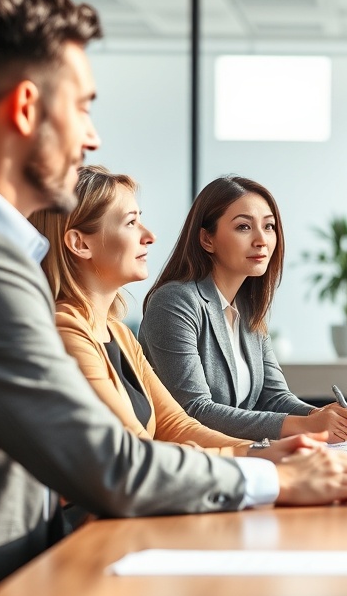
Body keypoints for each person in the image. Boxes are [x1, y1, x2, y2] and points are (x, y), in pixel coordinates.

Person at [0, 0, 347, 596]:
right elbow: (109, 461)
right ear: (26, 109)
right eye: (81, 106)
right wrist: (275, 477)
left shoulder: (14, 264)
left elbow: (167, 423)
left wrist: (269, 454)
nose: (91, 137)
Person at [32, 165, 285, 457]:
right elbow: (138, 452)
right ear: (80, 243)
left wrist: (265, 451)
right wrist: (260, 456)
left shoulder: (119, 334)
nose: (149, 236)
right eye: (130, 223)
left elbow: (176, 425)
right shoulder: (66, 331)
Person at [139, 176, 347, 444]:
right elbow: (194, 411)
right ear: (207, 239)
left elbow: (273, 397)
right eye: (244, 227)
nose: (261, 240)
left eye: (269, 226)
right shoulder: (174, 302)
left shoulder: (247, 307)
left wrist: (322, 415)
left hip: (241, 456)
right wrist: (307, 425)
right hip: (190, 459)